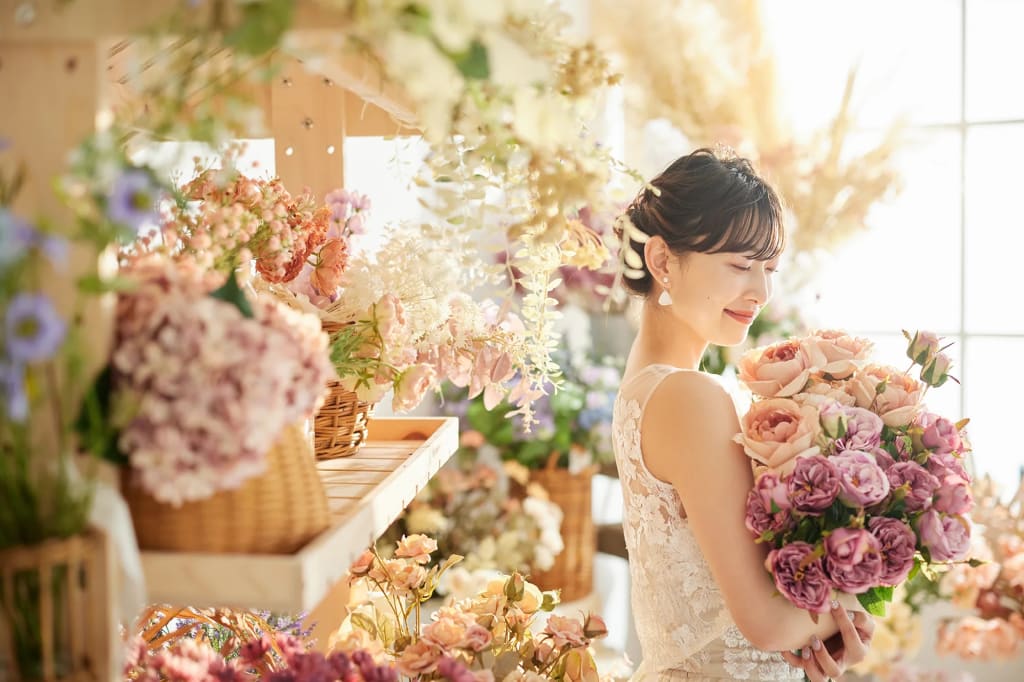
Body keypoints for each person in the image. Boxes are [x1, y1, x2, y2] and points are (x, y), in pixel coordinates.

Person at [612, 148, 874, 681]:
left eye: (770, 268)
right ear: (662, 261)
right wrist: (854, 607)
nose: (761, 291)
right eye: (740, 265)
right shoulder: (688, 397)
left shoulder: (651, 387)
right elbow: (767, 625)